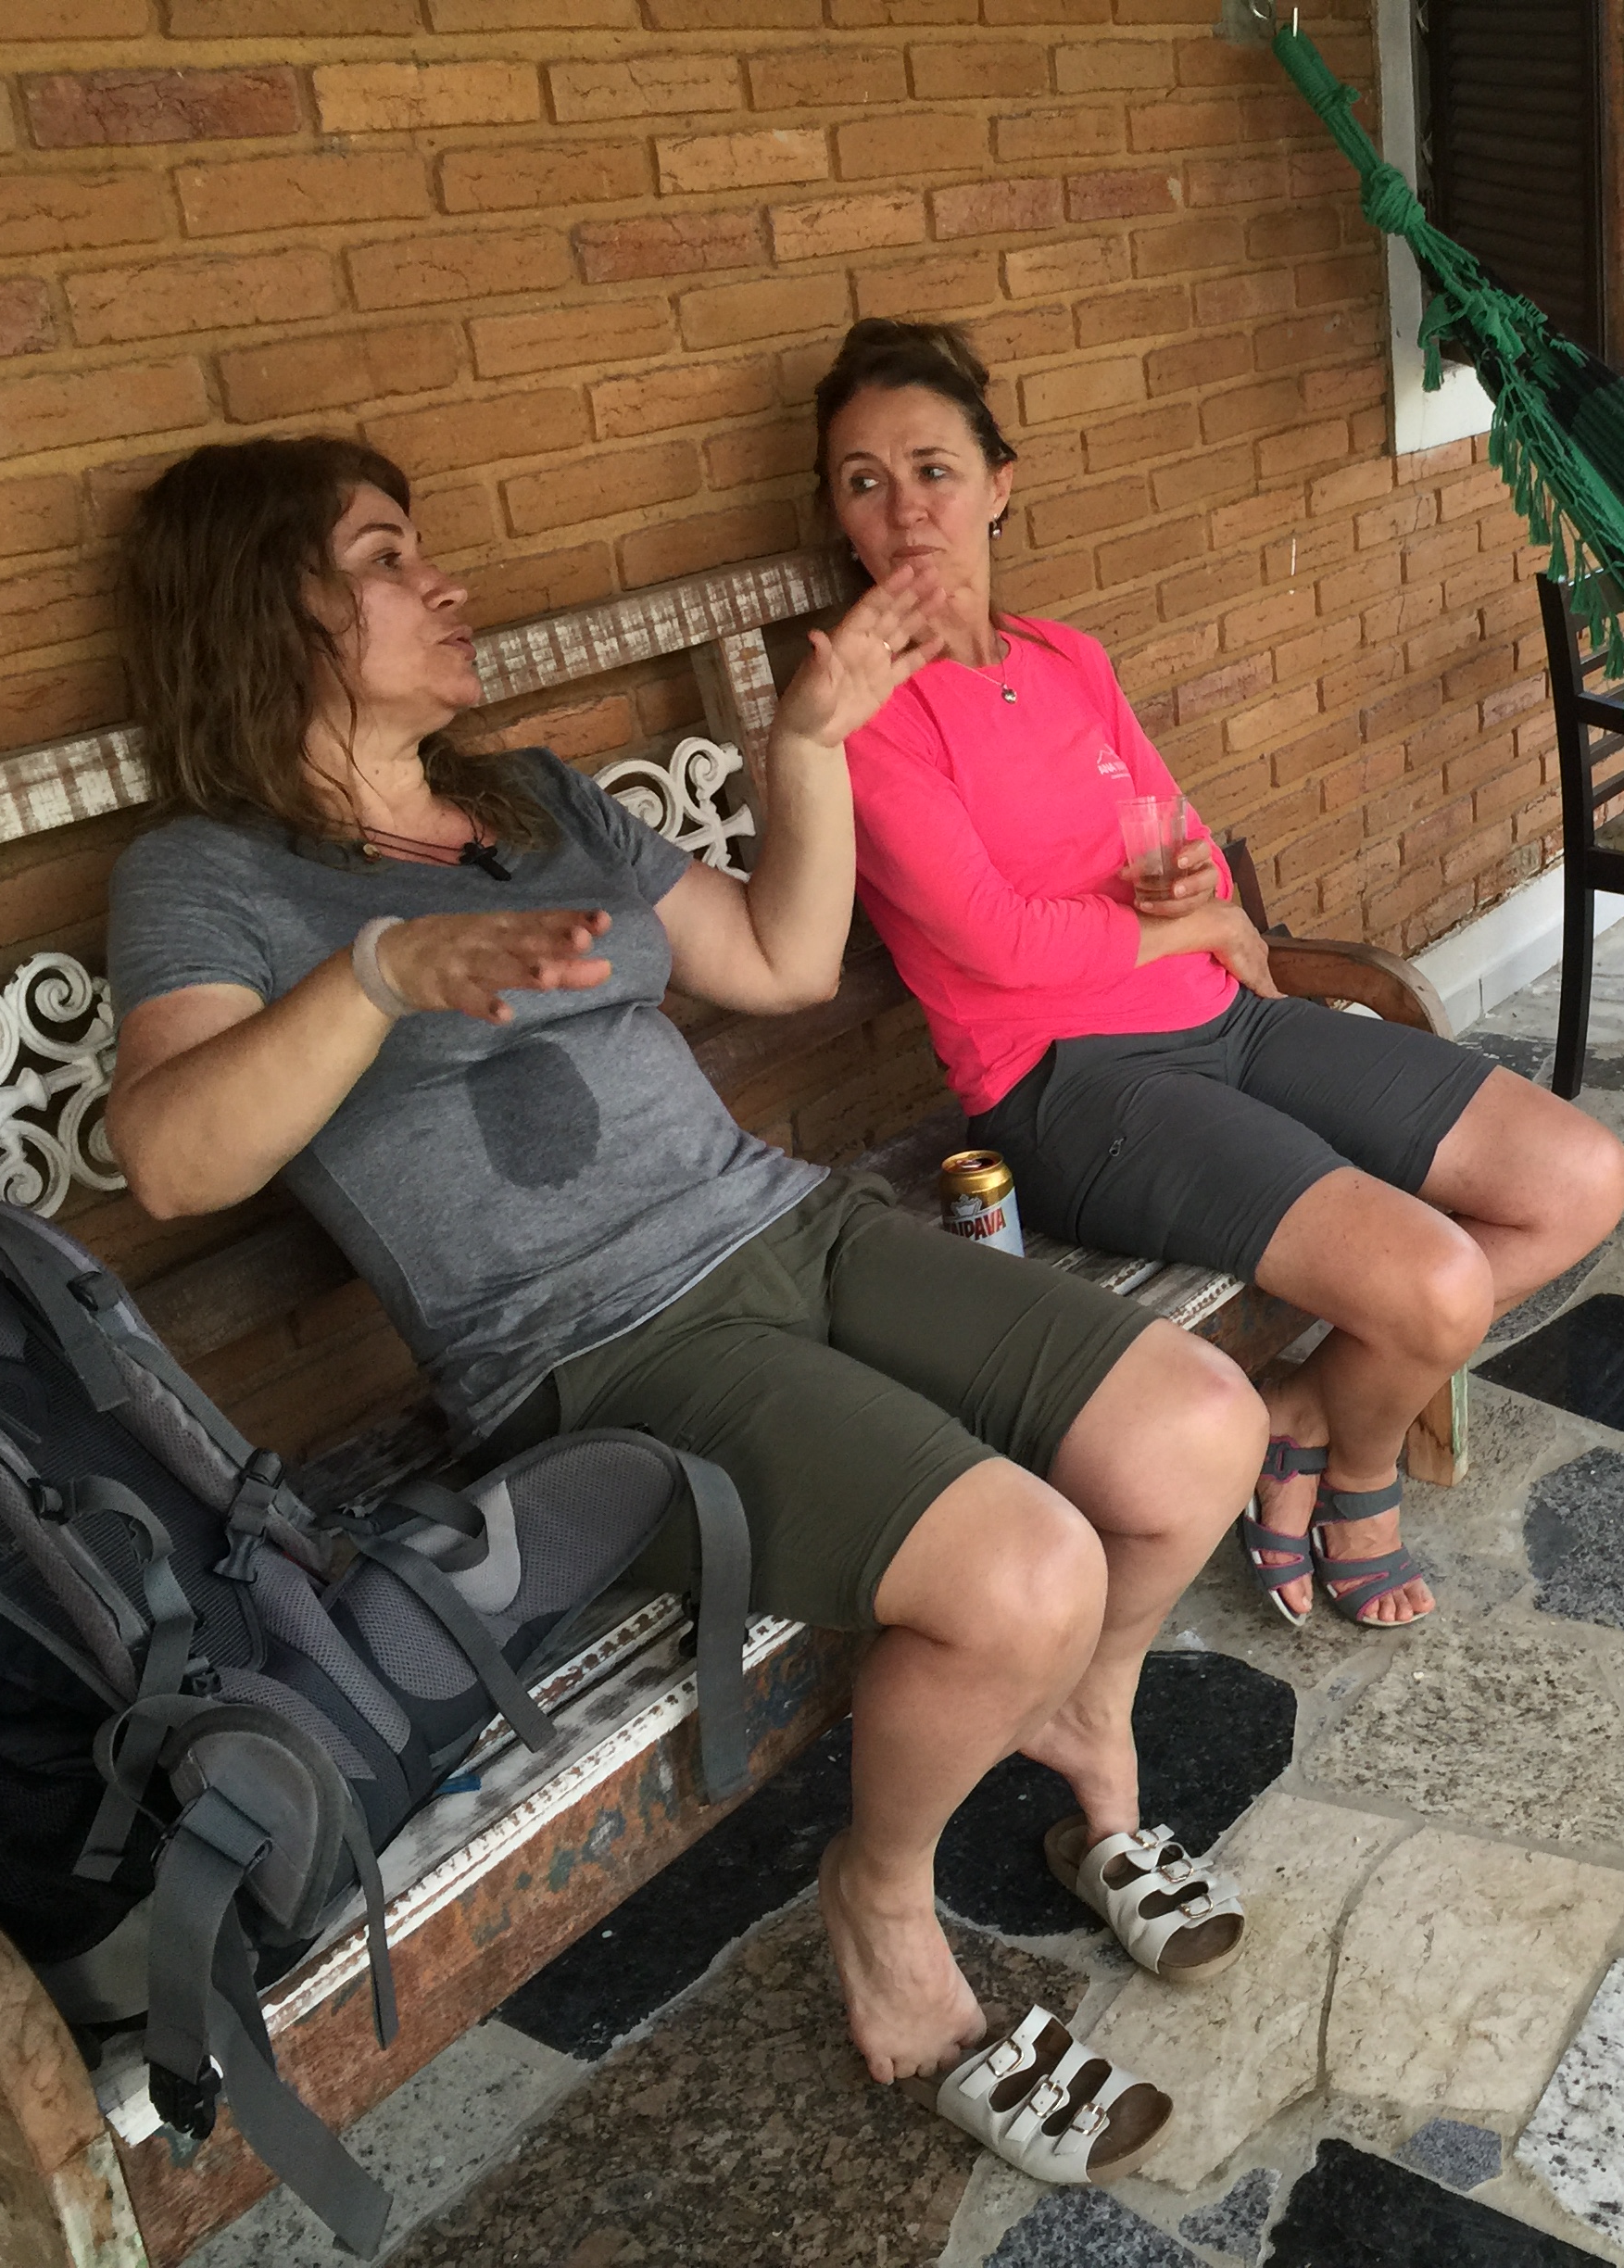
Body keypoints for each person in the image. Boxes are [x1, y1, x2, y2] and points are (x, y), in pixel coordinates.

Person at [103, 435, 1265, 2182]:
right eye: (387, 556)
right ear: (266, 608)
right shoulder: (211, 876)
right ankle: (882, 1901)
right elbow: (172, 1161)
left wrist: (806, 745)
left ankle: (1080, 1718)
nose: (446, 583)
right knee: (1025, 1571)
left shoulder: (532, 801)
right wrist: (374, 974)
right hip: (597, 1348)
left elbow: (781, 963)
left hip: (783, 1220)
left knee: (1198, 1429)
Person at [813, 318, 1624, 1630]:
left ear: (999, 486)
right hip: (1071, 1087)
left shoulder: (1064, 658)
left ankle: (1302, 1409)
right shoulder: (861, 720)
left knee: (1579, 1178)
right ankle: (1359, 1473)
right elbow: (995, 944)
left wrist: (1202, 901)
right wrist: (1176, 928)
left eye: (933, 469)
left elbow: (1174, 827)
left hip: (1221, 1019)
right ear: (841, 519)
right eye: (865, 481)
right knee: (1434, 1284)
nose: (905, 508)